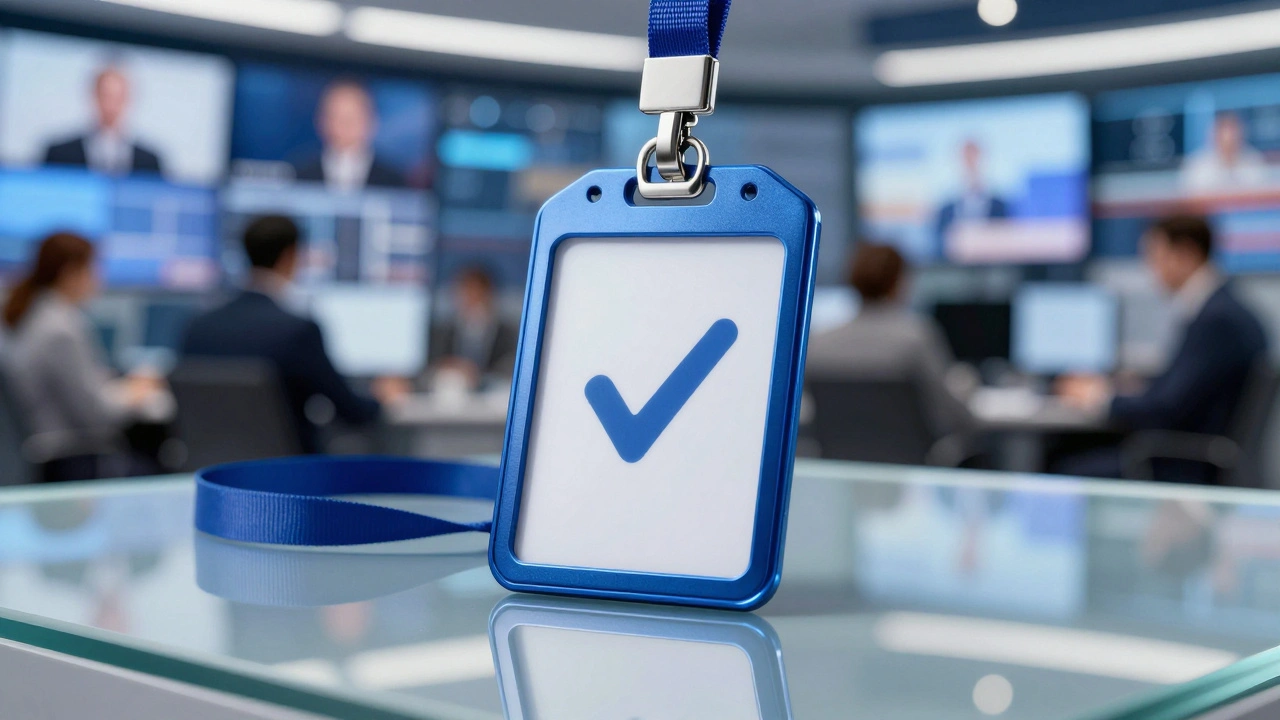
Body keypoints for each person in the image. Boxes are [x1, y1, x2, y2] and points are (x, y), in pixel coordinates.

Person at [1057, 215, 1268, 483]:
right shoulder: (1223, 308)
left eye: (1155, 257)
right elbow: (1186, 388)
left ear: (1186, 254)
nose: (1151, 270)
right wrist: (1134, 385)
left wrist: (1100, 397)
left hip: (1184, 461)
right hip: (1193, 454)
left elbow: (1167, 408)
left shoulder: (1216, 321)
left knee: (1062, 466)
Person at [181, 216, 406, 453]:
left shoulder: (197, 328)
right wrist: (383, 398)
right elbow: (351, 412)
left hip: (214, 477)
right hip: (286, 478)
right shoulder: (298, 331)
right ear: (290, 256)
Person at [1, 233, 164, 482]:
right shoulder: (61, 329)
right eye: (94, 267)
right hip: (73, 458)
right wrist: (136, 393)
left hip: (48, 454)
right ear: (70, 272)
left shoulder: (33, 314)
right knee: (161, 463)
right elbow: (98, 415)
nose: (99, 277)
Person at [805, 242, 977, 439]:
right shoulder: (915, 338)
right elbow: (950, 415)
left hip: (842, 465)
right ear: (898, 282)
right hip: (908, 464)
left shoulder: (819, 343)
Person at [43, 65, 164, 176]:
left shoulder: (150, 162)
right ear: (94, 96)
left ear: (128, 100)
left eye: (118, 97)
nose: (111, 106)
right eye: (106, 96)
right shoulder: (59, 155)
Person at [292, 80, 404, 192]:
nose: (344, 125)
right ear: (321, 121)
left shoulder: (395, 181)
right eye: (336, 116)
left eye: (352, 117)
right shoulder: (298, 174)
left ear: (372, 121)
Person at [428, 266, 518, 388]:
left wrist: (478, 374)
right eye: (465, 293)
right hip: (454, 387)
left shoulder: (506, 332)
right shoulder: (444, 331)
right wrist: (455, 366)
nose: (469, 299)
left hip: (492, 389)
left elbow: (508, 364)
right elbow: (434, 362)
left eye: (475, 293)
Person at [933, 139, 1009, 256]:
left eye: (974, 158)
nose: (971, 164)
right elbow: (938, 244)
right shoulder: (945, 209)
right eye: (966, 159)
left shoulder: (1000, 205)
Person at [1182, 112, 1268, 191]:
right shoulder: (1197, 165)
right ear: (1214, 135)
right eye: (1224, 131)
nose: (1229, 138)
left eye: (1233, 130)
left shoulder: (1254, 160)